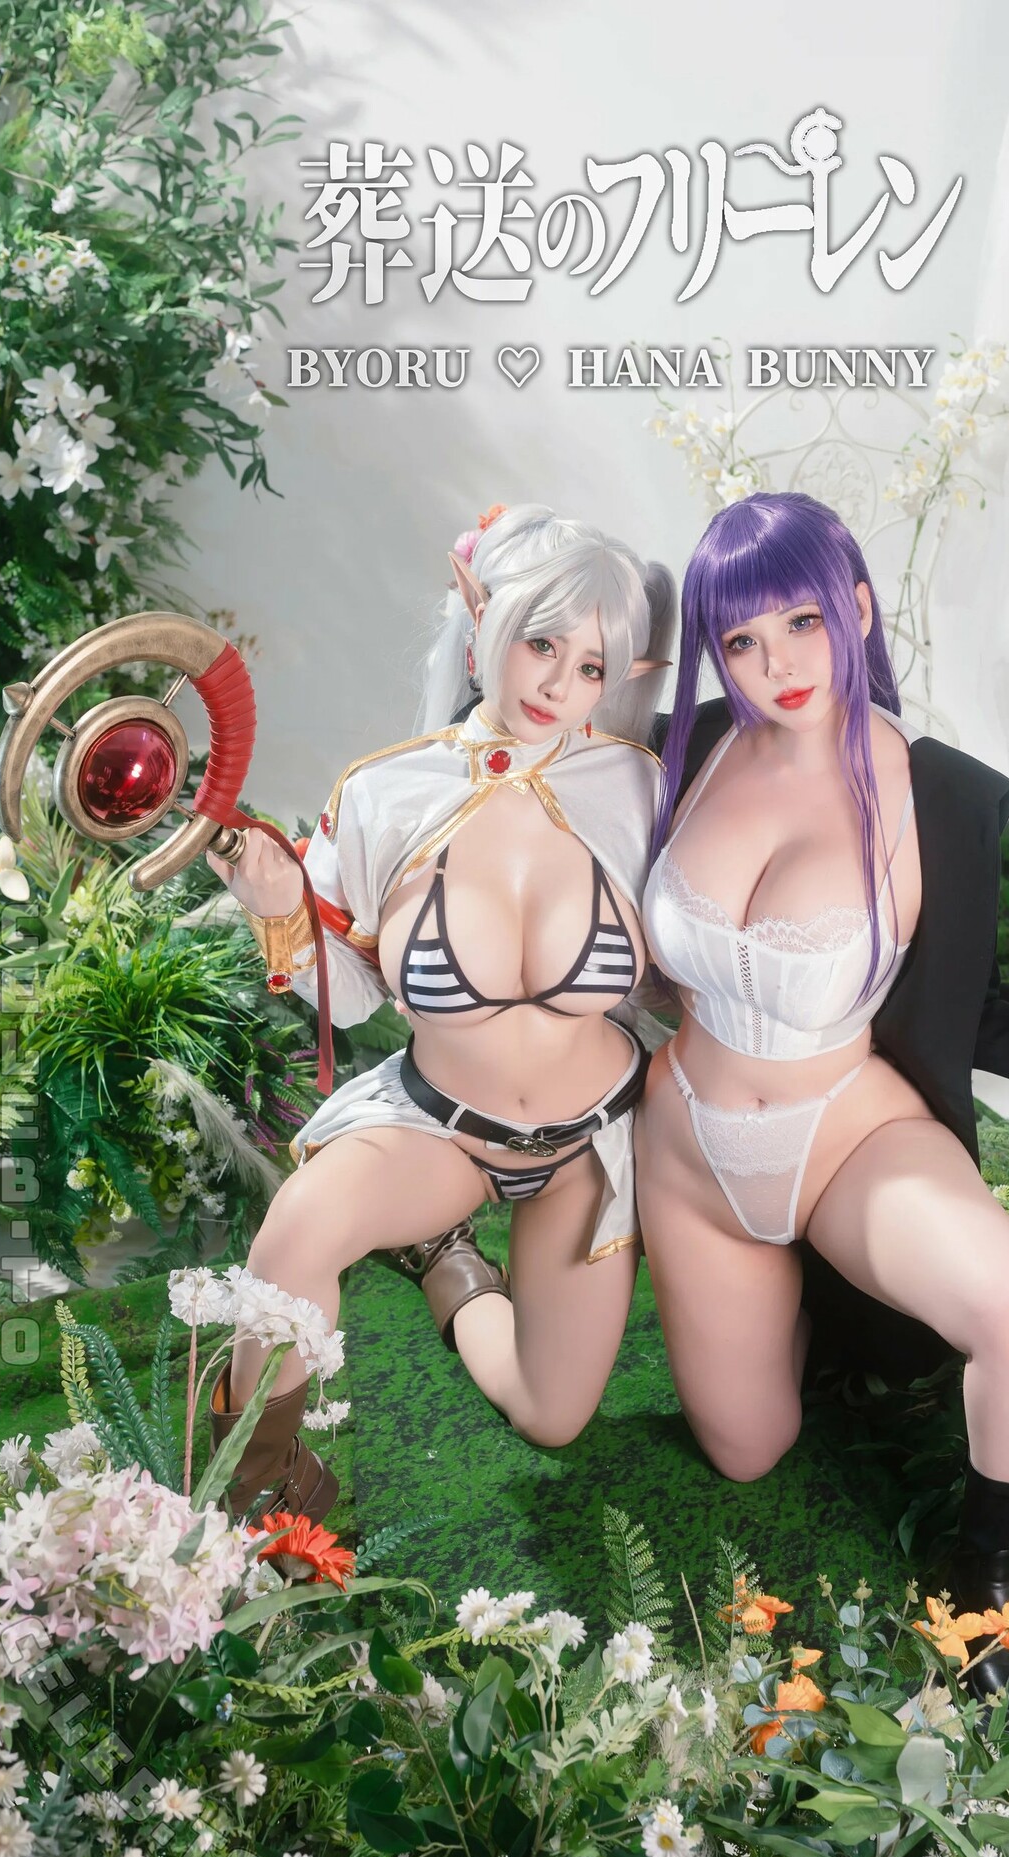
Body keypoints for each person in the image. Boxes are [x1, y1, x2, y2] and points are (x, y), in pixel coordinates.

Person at [637, 491, 1009, 1721]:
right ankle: (798, 1306)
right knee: (745, 1449)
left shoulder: (932, 793)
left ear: (854, 606)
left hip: (845, 1135)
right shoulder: (689, 745)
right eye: (742, 639)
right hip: (688, 1148)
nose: (777, 665)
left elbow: (969, 995)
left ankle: (988, 1583)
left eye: (802, 622)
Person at [206, 505, 674, 1523]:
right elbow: (356, 993)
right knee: (295, 1232)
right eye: (541, 643)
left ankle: (449, 1265)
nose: (558, 685)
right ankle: (254, 1481)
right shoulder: (383, 793)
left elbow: (684, 964)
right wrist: (281, 911)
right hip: (441, 1132)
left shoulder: (638, 789)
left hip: (593, 1150)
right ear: (479, 609)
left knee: (550, 1417)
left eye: (591, 666)